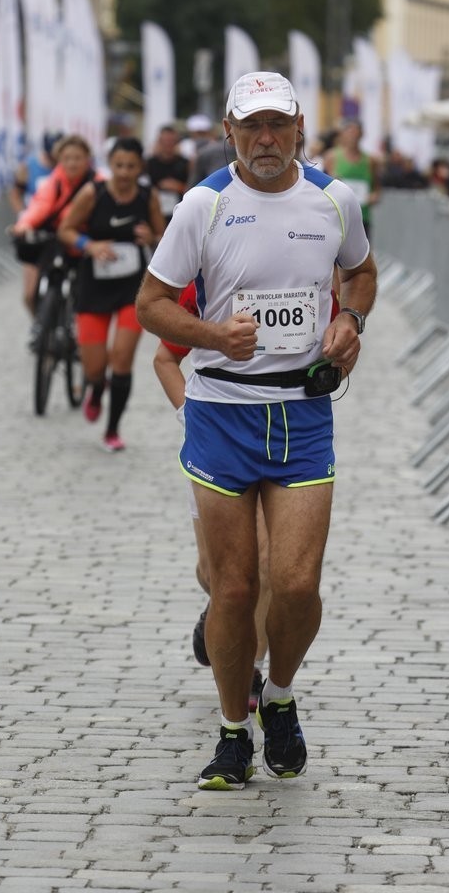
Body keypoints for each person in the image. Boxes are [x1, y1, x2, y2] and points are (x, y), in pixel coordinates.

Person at [136, 71, 377, 791]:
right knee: (234, 589)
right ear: (229, 130)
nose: (265, 139)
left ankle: (280, 696)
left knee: (297, 583)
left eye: (277, 125)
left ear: (300, 125)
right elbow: (149, 305)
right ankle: (231, 733)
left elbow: (360, 273)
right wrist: (212, 332)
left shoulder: (334, 199)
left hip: (302, 413)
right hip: (220, 411)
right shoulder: (202, 207)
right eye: (251, 127)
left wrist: (349, 319)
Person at [152, 280, 270, 711]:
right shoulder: (207, 279)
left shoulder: (307, 272)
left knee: (266, 564)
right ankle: (219, 607)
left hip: (280, 440)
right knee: (217, 572)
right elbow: (164, 358)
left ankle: (252, 669)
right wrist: (191, 415)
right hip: (213, 440)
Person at [58, 137, 165, 451]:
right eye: (118, 165)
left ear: (140, 167)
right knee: (94, 367)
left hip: (131, 288)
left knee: (121, 359)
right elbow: (66, 230)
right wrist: (88, 246)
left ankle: (112, 430)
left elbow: (163, 238)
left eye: (131, 166)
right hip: (93, 288)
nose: (124, 172)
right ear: (109, 164)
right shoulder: (94, 193)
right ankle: (94, 388)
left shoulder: (148, 196)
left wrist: (151, 237)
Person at [11, 134, 98, 318]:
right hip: (56, 240)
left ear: (87, 159)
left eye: (77, 158)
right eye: (66, 159)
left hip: (86, 242)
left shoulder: (99, 183)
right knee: (30, 293)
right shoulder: (54, 181)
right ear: (59, 160)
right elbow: (39, 205)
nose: (72, 164)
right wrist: (24, 224)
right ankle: (40, 325)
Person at [9, 131, 62, 315]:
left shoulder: (70, 167)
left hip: (63, 228)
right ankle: (39, 324)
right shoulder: (29, 166)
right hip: (36, 229)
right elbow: (15, 192)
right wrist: (22, 214)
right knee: (30, 294)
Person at [324, 119, 380, 240]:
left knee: (362, 258)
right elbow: (322, 188)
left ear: (362, 134)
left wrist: (374, 196)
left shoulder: (371, 161)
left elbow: (377, 188)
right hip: (338, 218)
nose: (352, 135)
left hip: (361, 219)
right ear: (342, 134)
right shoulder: (332, 157)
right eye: (349, 131)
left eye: (356, 131)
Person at [146, 125, 190, 224]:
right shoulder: (149, 163)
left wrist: (179, 187)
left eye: (171, 141)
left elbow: (194, 187)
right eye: (165, 141)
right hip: (156, 208)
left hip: (179, 209)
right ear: (159, 141)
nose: (168, 144)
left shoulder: (185, 163)